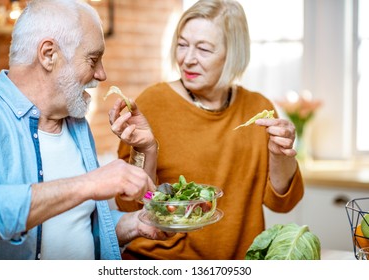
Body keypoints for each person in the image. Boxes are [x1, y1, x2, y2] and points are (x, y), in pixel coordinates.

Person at [110, 0, 304, 260]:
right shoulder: (153, 103)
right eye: (181, 44)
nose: (187, 59)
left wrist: (281, 154)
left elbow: (283, 204)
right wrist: (147, 151)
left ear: (233, 53)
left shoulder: (259, 109)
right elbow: (131, 204)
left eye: (203, 49)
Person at [0, 0, 171, 260]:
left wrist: (136, 223)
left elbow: (77, 227)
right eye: (93, 59)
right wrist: (90, 183)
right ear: (49, 54)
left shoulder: (76, 125)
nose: (102, 74)